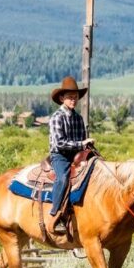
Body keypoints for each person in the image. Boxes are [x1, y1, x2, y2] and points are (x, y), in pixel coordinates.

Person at [47, 76, 93, 235]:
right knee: (63, 178)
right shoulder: (56, 117)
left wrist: (87, 147)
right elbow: (59, 143)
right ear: (62, 98)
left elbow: (82, 139)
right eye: (70, 97)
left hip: (76, 155)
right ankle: (56, 214)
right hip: (60, 155)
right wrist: (81, 144)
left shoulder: (78, 119)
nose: (74, 100)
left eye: (76, 97)